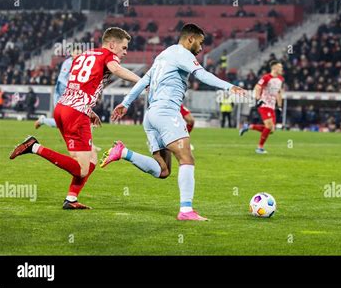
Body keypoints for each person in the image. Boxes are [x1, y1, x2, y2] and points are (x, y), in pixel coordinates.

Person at [99, 23, 246, 221]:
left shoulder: (163, 56)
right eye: (200, 43)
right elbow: (201, 74)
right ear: (190, 39)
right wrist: (229, 86)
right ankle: (186, 211)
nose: (201, 48)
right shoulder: (183, 54)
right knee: (187, 158)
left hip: (150, 116)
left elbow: (144, 82)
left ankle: (124, 153)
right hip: (167, 112)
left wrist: (125, 103)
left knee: (163, 170)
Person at [9, 27, 142, 209]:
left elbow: (78, 86)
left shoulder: (84, 55)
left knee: (91, 156)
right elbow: (116, 70)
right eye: (124, 47)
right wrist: (143, 81)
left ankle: (71, 199)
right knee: (81, 168)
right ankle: (35, 147)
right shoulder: (108, 55)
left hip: (63, 108)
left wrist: (89, 110)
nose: (125, 52)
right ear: (112, 44)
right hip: (75, 114)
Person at [239, 61, 284, 154]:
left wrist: (279, 106)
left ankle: (248, 126)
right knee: (268, 126)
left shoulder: (280, 79)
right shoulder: (266, 77)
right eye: (280, 67)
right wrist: (258, 99)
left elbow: (279, 93)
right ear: (274, 68)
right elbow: (257, 87)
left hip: (272, 106)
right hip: (264, 104)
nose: (281, 69)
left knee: (271, 130)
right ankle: (259, 148)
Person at [34, 52, 78, 129]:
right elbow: (62, 79)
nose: (79, 55)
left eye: (80, 53)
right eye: (77, 53)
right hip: (60, 93)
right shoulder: (68, 63)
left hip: (69, 95)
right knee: (60, 122)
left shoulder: (80, 64)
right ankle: (42, 120)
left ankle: (42, 120)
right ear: (72, 54)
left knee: (65, 122)